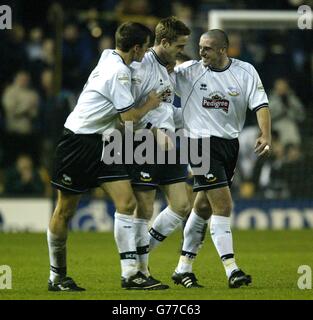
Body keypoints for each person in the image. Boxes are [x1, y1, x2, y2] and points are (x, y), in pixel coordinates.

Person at [47, 22, 167, 292]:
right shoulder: (118, 73)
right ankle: (57, 276)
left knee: (126, 202)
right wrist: (150, 103)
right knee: (65, 210)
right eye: (145, 47)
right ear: (136, 49)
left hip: (105, 142)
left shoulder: (109, 56)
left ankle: (131, 274)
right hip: (79, 142)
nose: (147, 52)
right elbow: (128, 119)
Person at [171, 29, 271, 288]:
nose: (201, 52)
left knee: (203, 207)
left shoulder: (245, 71)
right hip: (199, 143)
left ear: (223, 50)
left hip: (229, 144)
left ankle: (183, 268)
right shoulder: (190, 71)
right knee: (223, 205)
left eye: (207, 48)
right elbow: (162, 71)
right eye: (200, 47)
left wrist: (266, 133)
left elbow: (260, 104)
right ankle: (231, 269)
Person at [126, 17, 192, 280]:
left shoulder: (168, 68)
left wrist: (187, 119)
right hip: (143, 142)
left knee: (181, 205)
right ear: (163, 42)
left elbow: (164, 108)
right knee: (144, 209)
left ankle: (140, 253)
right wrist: (153, 130)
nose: (181, 51)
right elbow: (128, 112)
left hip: (167, 142)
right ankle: (140, 270)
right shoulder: (141, 69)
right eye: (178, 46)